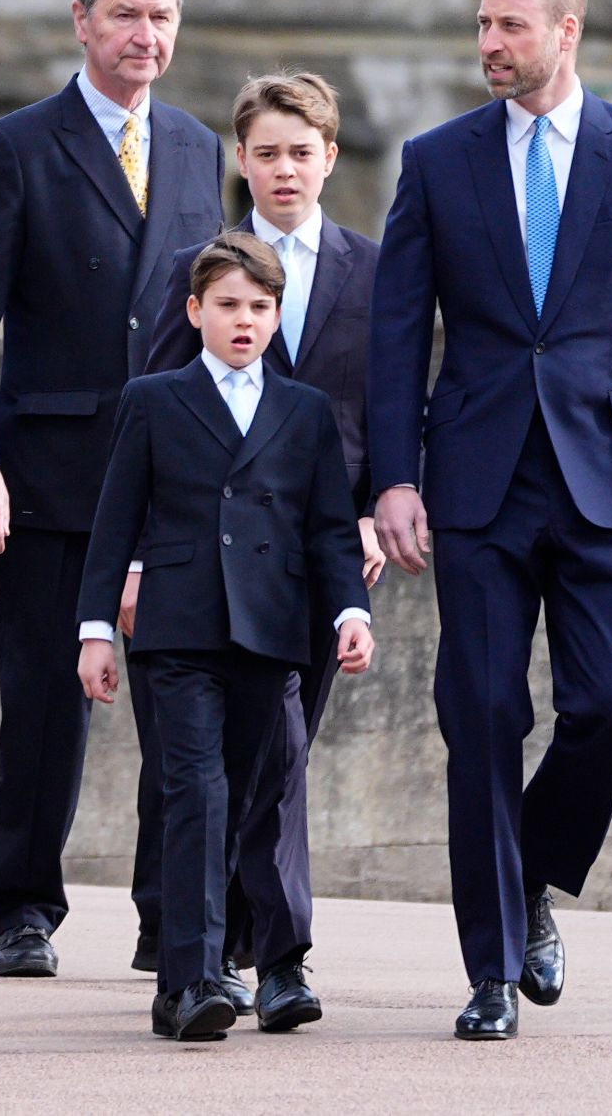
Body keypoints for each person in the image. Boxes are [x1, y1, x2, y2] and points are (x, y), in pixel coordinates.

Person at [369, 0, 612, 1041]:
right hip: (472, 481)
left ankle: (527, 877)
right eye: (480, 24)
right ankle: (486, 972)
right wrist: (390, 475)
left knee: (611, 705)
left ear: (565, 31)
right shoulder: (434, 162)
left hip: (604, 477)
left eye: (509, 26)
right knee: (476, 716)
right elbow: (394, 332)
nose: (488, 44)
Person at [0, 0, 225, 978]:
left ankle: (168, 918)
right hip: (48, 473)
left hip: (171, 476)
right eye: (124, 15)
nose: (143, 35)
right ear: (81, 21)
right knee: (46, 706)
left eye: (159, 18)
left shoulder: (199, 148)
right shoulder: (16, 145)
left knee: (178, 701)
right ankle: (21, 907)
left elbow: (217, 314)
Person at [76, 233, 373, 1040]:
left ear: (277, 317)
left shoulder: (305, 410)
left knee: (250, 792)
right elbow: (114, 524)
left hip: (272, 632)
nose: (245, 321)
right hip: (177, 630)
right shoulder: (153, 398)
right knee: (195, 794)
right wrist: (97, 629)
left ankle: (230, 965)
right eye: (229, 305)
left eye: (260, 307)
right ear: (195, 310)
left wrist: (351, 611)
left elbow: (330, 530)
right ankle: (192, 981)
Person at [141, 72, 384, 1028]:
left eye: (303, 151)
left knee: (282, 757)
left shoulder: (375, 267)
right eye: (267, 152)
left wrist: (378, 507)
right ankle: (222, 953)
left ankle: (264, 955)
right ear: (241, 159)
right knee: (212, 760)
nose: (285, 169)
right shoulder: (198, 271)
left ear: (331, 157)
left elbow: (395, 402)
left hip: (324, 557)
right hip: (205, 569)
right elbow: (155, 408)